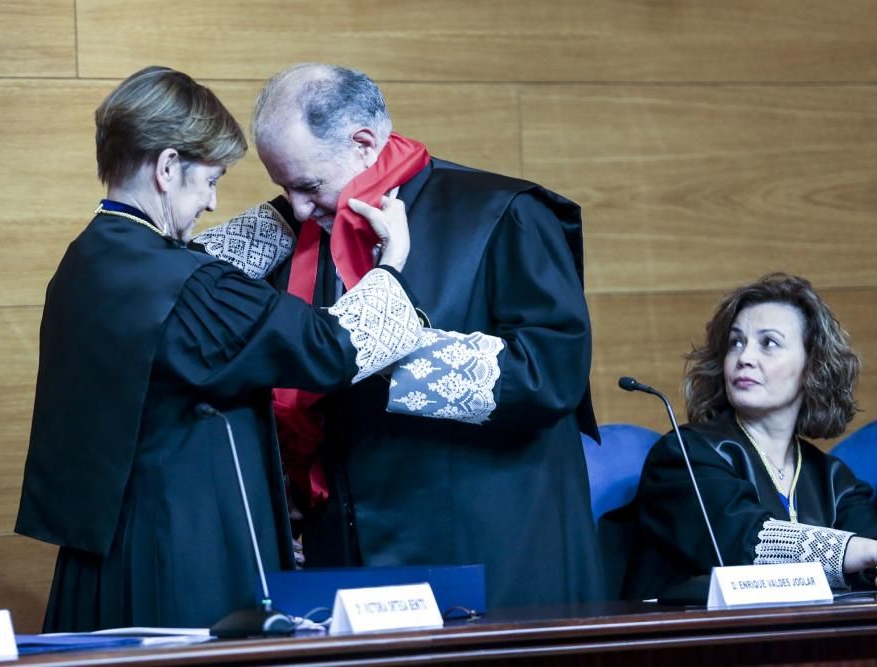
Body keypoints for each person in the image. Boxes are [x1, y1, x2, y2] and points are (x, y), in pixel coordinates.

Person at [14, 65, 425, 631]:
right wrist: (394, 262)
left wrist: (295, 204)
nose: (212, 202)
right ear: (166, 167)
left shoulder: (90, 259)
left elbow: (199, 264)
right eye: (211, 181)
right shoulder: (189, 289)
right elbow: (333, 348)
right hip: (174, 558)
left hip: (101, 559)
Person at [244, 62, 603, 609]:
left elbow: (552, 374)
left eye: (307, 184)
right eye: (283, 187)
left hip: (485, 550)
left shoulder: (506, 213)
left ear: (364, 143)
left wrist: (372, 347)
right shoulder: (289, 231)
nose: (296, 206)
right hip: (346, 550)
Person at [623, 273, 877, 600]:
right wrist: (848, 553)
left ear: (812, 366)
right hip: (693, 645)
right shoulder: (683, 455)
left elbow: (870, 552)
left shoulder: (833, 479)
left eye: (768, 343)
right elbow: (745, 542)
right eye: (736, 343)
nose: (744, 358)